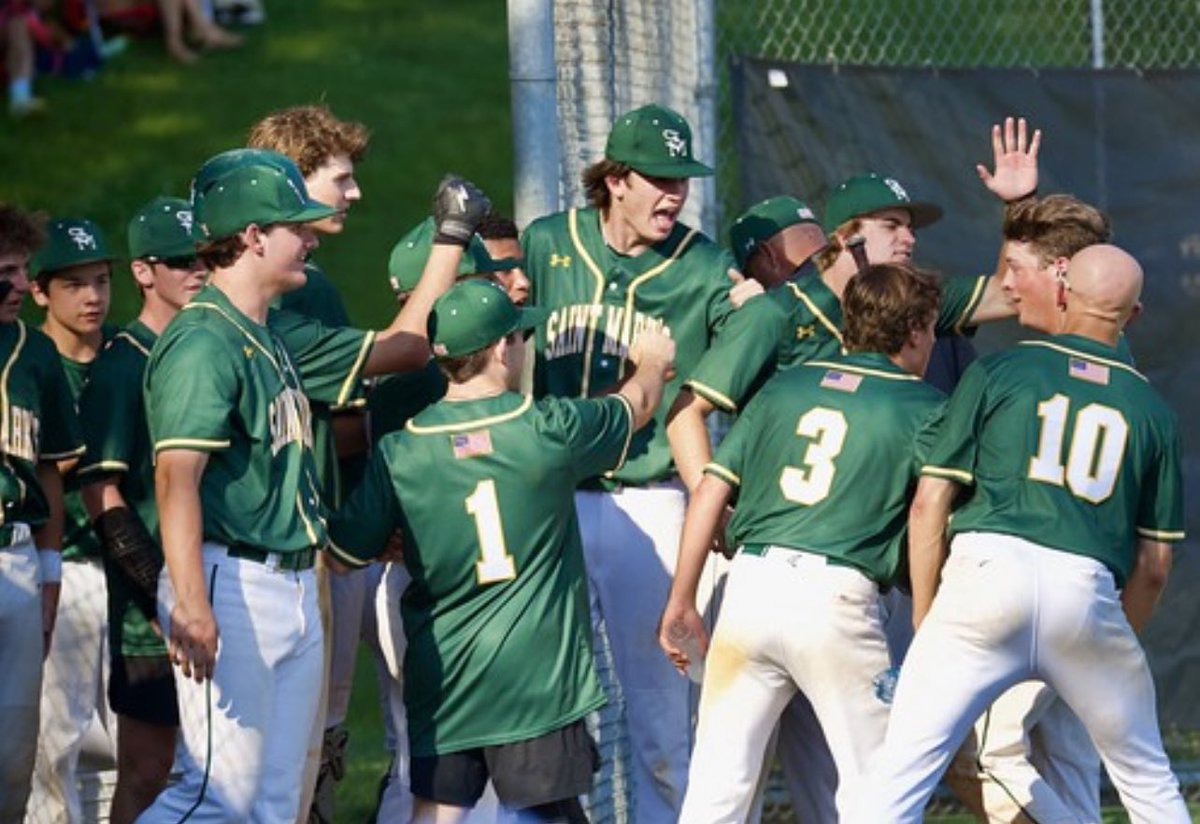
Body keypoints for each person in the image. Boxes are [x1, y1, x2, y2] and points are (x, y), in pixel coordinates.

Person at [137, 153, 486, 820]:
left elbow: (407, 346)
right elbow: (175, 477)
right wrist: (189, 600)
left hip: (293, 583)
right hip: (227, 580)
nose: (313, 235)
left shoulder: (273, 335)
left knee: (275, 803)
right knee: (213, 796)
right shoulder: (204, 340)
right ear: (251, 236)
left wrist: (451, 239)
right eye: (295, 225)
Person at [854, 244, 1188, 823]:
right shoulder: (1152, 410)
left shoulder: (1001, 370)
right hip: (1086, 593)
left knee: (897, 779)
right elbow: (1155, 566)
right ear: (1133, 316)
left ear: (1062, 295)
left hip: (986, 574)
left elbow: (931, 500)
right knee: (1149, 784)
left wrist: (927, 616)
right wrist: (1109, 643)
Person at [327, 278, 677, 822]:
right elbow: (638, 406)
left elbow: (344, 553)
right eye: (517, 336)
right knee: (547, 812)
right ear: (496, 350)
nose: (521, 346)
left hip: (445, 674)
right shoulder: (545, 428)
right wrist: (651, 361)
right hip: (536, 680)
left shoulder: (401, 450)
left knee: (435, 811)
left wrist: (403, 538)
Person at [660, 263, 946, 822]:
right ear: (914, 331)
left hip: (750, 587)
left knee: (717, 789)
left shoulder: (785, 386)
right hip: (836, 599)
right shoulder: (927, 407)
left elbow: (710, 490)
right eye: (932, 327)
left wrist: (682, 597)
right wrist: (928, 620)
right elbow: (925, 510)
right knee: (878, 790)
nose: (934, 340)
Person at [521, 102, 736, 819]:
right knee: (537, 703)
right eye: (658, 177)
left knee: (659, 718)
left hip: (649, 499)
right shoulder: (548, 243)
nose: (674, 193)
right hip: (550, 502)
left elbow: (706, 396)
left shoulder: (703, 266)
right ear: (615, 179)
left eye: (683, 179)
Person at [941, 192, 1116, 824]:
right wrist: (1022, 206)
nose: (1006, 285)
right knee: (1065, 758)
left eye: (1018, 270)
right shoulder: (1117, 361)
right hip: (1094, 597)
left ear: (1062, 276)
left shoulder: (1026, 370)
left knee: (981, 756)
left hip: (1035, 593)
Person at [246, 102, 374, 822]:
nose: (354, 194)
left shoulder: (305, 281)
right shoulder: (304, 289)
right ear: (293, 180)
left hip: (288, 535)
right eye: (340, 178)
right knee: (300, 737)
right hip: (293, 540)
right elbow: (375, 381)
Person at [76, 197, 207, 823]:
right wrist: (161, 591)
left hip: (218, 585)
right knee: (150, 769)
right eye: (180, 262)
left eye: (205, 257)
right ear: (144, 271)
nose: (198, 271)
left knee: (220, 769)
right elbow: (100, 491)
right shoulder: (121, 366)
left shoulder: (208, 347)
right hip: (151, 608)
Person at [25, 217, 119, 824]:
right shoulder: (30, 363)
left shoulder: (128, 358)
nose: (92, 297)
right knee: (53, 744)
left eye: (101, 281)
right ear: (40, 291)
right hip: (62, 568)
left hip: (129, 566)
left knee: (126, 745)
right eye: (74, 284)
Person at [0, 203, 82, 821]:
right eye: (5, 270)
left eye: (22, 270)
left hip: (18, 553)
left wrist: (51, 571)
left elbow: (52, 466)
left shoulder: (37, 353)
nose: (17, 286)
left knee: (13, 744)